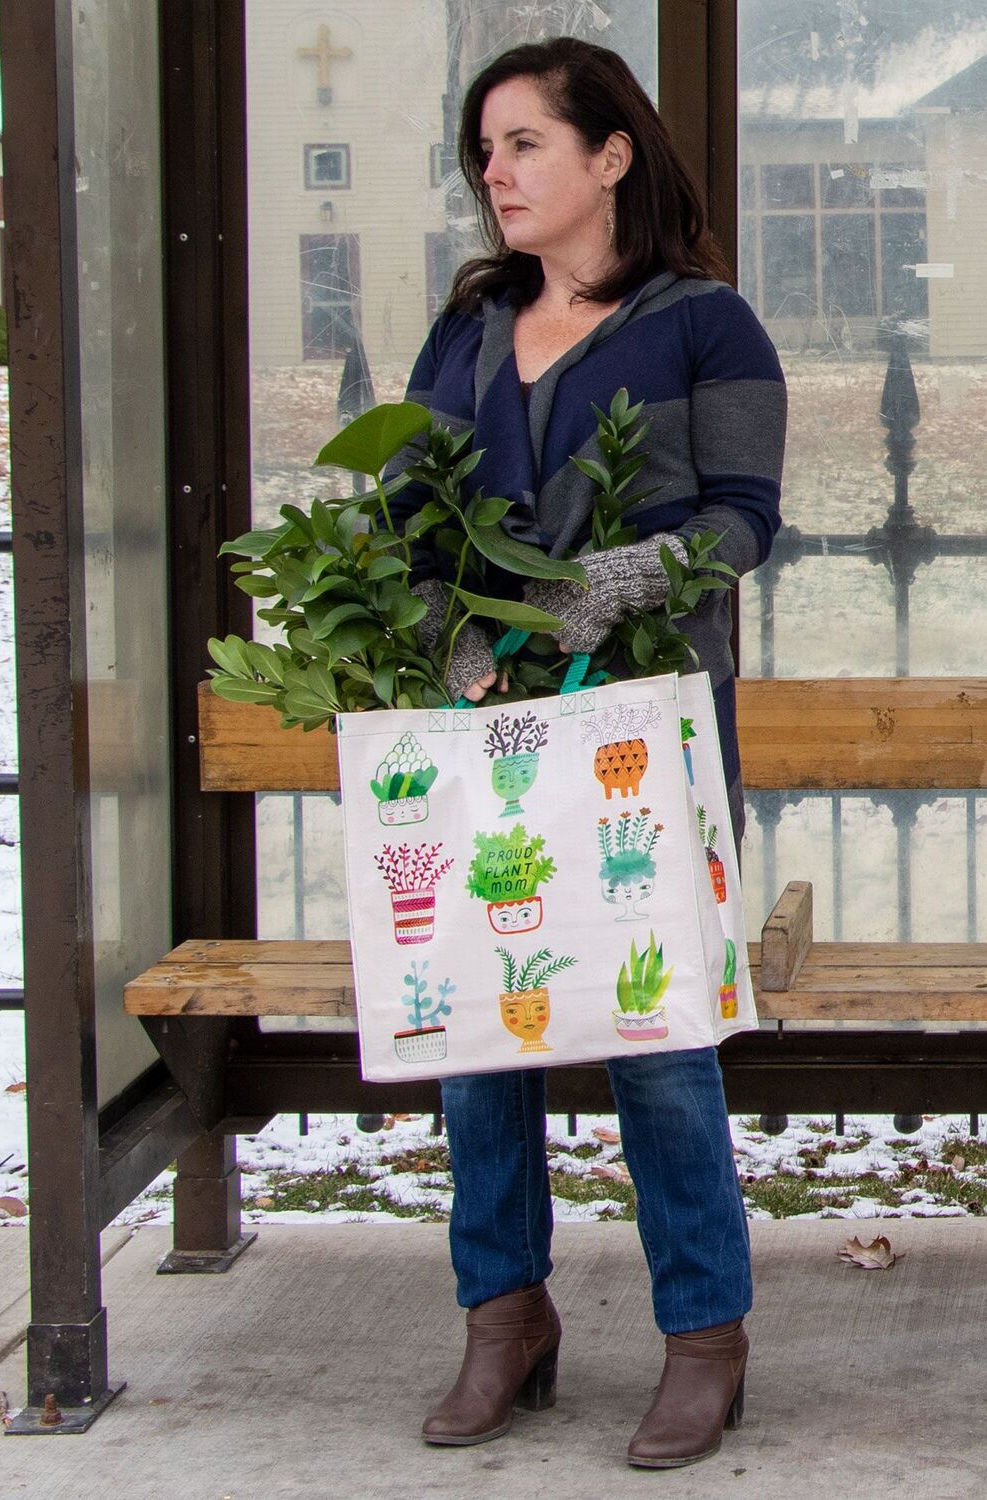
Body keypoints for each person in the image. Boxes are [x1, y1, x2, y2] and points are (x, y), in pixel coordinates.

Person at [386, 36, 786, 1469]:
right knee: (477, 1039)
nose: (493, 171)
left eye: (523, 144)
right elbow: (409, 517)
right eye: (482, 149)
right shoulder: (468, 329)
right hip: (479, 734)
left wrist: (612, 586)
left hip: (640, 738)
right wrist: (449, 626)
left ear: (609, 154)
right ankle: (503, 1319)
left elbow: (744, 513)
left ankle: (703, 1343)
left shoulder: (703, 324)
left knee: (656, 1042)